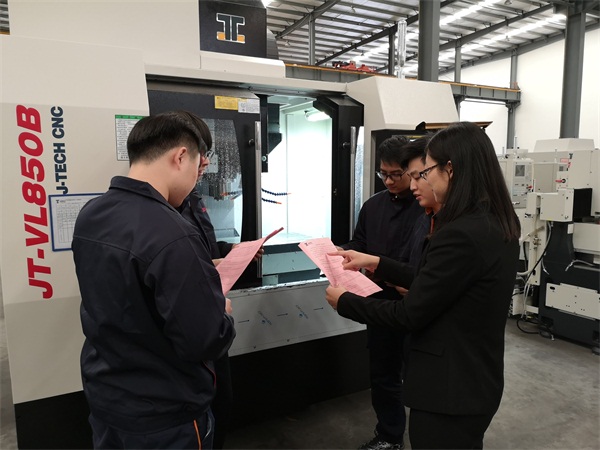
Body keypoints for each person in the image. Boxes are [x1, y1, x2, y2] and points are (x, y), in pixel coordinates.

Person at [326, 121, 521, 449]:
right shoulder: (494, 222)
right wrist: (377, 262)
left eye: (425, 172)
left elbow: (409, 314)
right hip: (474, 379)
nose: (420, 182)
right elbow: (439, 283)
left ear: (450, 169)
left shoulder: (459, 233)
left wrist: (345, 301)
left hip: (449, 388)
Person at [72, 111, 236, 449]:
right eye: (198, 165)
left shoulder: (92, 214)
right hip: (165, 414)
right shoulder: (172, 232)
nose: (196, 179)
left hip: (107, 398)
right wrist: (223, 314)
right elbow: (205, 341)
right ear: (180, 157)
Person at [178, 123, 262, 450]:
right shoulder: (166, 212)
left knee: (222, 400)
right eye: (201, 154)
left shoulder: (192, 198)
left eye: (208, 154)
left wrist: (232, 251)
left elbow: (205, 248)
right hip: (199, 326)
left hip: (214, 317)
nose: (207, 163)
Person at [339, 135, 423, 450]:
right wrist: (340, 252)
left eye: (396, 175)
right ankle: (389, 436)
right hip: (378, 303)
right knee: (383, 374)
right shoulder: (373, 206)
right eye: (382, 174)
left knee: (420, 378)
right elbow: (359, 242)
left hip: (417, 303)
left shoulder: (426, 207)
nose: (388, 181)